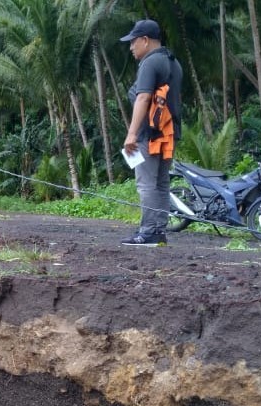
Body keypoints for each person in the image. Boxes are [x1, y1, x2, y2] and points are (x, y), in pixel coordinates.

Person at [120, 19, 183, 246]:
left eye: (133, 42)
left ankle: (148, 232)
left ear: (145, 40)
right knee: (161, 183)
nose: (131, 47)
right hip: (169, 133)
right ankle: (158, 231)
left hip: (150, 133)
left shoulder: (149, 63)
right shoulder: (173, 62)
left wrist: (131, 134)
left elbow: (143, 97)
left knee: (146, 184)